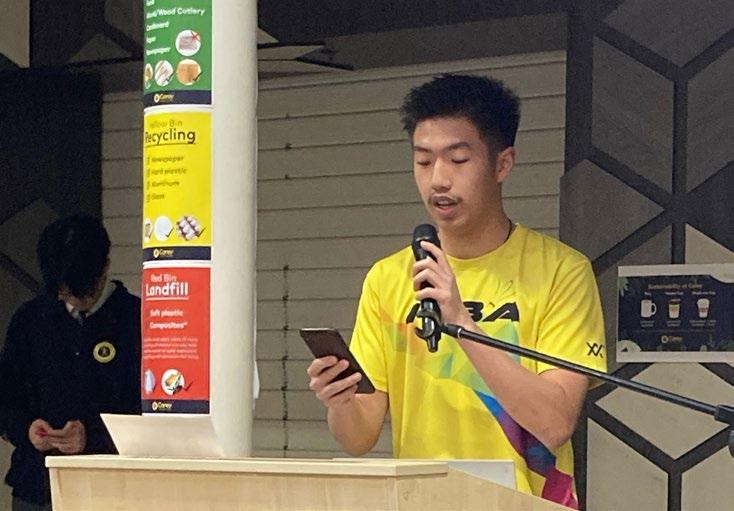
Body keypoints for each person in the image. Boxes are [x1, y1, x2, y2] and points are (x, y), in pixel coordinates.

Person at [307, 74, 606, 508]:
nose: (438, 180)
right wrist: (340, 402)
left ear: (503, 164)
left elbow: (554, 423)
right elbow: (359, 438)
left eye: (458, 160)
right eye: (423, 161)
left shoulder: (561, 272)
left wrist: (462, 322)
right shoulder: (387, 278)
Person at [0, 214, 141, 510]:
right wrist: (26, 430)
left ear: (105, 267)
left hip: (113, 488)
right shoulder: (30, 320)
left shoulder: (135, 320)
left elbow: (149, 413)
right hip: (36, 486)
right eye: (63, 290)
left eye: (81, 290)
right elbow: (7, 396)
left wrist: (92, 438)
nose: (71, 298)